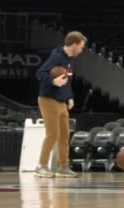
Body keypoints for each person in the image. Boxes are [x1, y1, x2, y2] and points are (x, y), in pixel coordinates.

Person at [34, 31, 87, 178]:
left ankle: (63, 166)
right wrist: (52, 81)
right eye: (81, 47)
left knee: (64, 135)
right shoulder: (57, 56)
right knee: (52, 134)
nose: (82, 50)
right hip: (48, 99)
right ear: (74, 44)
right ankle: (41, 166)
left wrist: (69, 97)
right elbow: (40, 73)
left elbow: (67, 81)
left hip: (62, 101)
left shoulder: (70, 60)